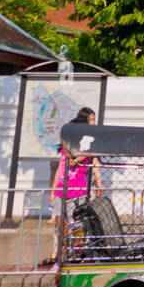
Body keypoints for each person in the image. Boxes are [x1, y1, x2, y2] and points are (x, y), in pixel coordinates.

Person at [45, 107, 102, 266]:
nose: (93, 123)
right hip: (61, 189)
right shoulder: (69, 146)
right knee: (59, 223)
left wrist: (99, 181)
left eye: (93, 120)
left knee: (75, 224)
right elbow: (62, 167)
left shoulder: (88, 143)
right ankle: (58, 252)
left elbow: (94, 162)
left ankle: (74, 252)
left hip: (77, 189)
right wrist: (53, 190)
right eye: (90, 119)